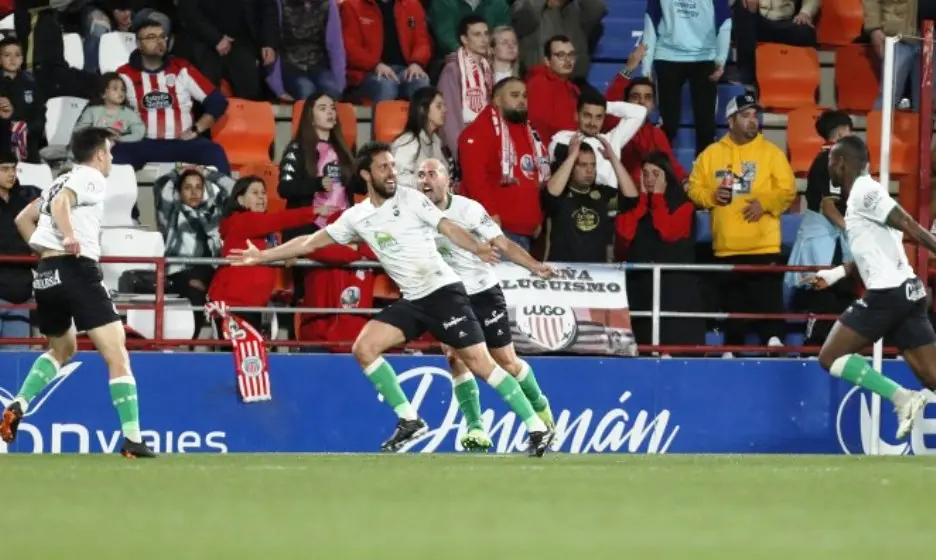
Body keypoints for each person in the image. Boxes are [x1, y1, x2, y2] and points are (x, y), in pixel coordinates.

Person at [227, 142, 556, 456]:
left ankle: (536, 427)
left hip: (445, 294)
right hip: (414, 300)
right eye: (383, 167)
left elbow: (446, 227)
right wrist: (263, 256)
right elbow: (310, 242)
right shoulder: (358, 216)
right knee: (364, 348)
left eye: (393, 167)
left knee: (481, 364)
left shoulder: (411, 199)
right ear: (367, 175)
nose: (391, 173)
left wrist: (477, 247)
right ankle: (410, 419)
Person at [0, 128, 156, 458]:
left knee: (61, 349)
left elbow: (23, 218)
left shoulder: (59, 179)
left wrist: (47, 252)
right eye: (110, 153)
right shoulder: (90, 176)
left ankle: (20, 402)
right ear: (99, 154)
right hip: (76, 268)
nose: (111, 159)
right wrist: (70, 238)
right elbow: (61, 204)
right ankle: (132, 439)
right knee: (117, 354)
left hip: (45, 275)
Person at [418, 158, 555, 451]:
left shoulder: (468, 210)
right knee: (455, 356)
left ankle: (541, 407)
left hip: (483, 292)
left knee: (506, 361)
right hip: (450, 296)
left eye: (432, 173)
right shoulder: (417, 214)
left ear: (447, 180)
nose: (425, 179)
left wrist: (534, 266)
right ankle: (476, 429)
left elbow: (503, 244)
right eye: (420, 175)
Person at [806, 135, 933, 440]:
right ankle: (906, 397)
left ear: (842, 163)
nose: (829, 168)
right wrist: (836, 274)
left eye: (831, 162)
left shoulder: (866, 190)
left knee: (829, 357)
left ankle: (902, 398)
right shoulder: (857, 200)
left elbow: (909, 225)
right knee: (932, 376)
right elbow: (869, 254)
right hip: (906, 291)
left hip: (888, 294)